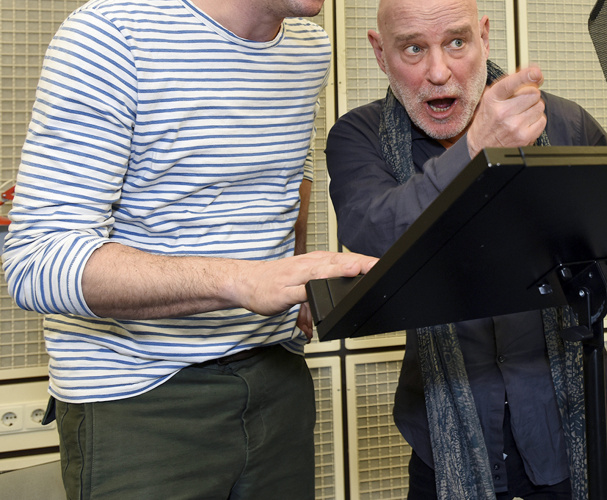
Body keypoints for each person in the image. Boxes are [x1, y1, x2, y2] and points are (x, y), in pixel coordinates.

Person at [1, 0, 377, 498]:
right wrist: (241, 280)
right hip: (138, 398)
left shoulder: (307, 46)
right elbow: (36, 261)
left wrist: (294, 269)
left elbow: (286, 174)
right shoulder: (111, 33)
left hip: (275, 378)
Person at [325, 0, 607, 498]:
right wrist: (476, 148)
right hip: (442, 443)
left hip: (573, 432)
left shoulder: (564, 126)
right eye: (413, 48)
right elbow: (372, 234)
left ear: (484, 37)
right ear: (380, 53)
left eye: (456, 42)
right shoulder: (358, 138)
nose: (439, 72)